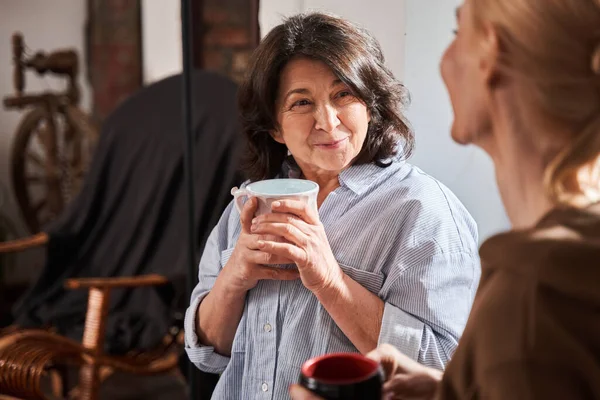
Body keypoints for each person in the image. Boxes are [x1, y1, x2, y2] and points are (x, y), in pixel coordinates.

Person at [290, 0, 600, 398]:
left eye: (457, 34)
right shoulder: (566, 260)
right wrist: (445, 391)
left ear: (489, 55)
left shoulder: (537, 290)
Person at [185, 13, 480, 399]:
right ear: (275, 127)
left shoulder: (424, 212)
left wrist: (329, 279)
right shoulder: (249, 202)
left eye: (344, 95)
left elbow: (446, 370)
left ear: (371, 106)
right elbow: (207, 353)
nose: (327, 121)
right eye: (302, 102)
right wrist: (234, 278)